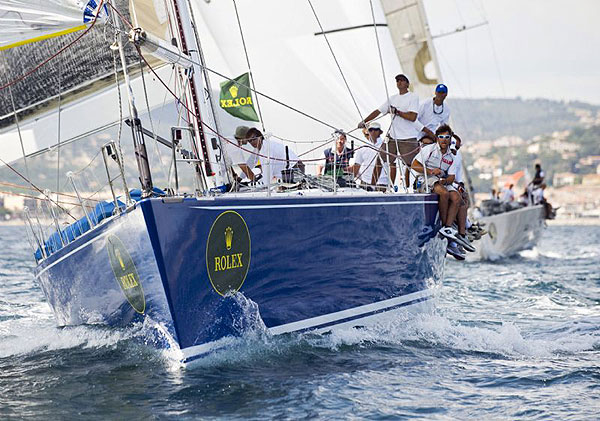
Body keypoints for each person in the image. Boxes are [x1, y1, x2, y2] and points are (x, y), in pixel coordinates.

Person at [411, 124, 471, 259]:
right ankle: (445, 226)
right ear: (437, 138)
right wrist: (431, 171)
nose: (444, 140)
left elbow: (451, 177)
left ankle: (453, 230)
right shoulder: (429, 149)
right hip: (427, 177)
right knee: (443, 193)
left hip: (442, 180)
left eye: (447, 137)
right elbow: (414, 165)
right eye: (441, 137)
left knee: (457, 198)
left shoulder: (452, 156)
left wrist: (445, 180)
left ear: (450, 139)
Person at [359, 74, 419, 187]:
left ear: (407, 84)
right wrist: (364, 121)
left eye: (402, 80)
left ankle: (412, 187)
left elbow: (413, 117)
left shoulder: (413, 97)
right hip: (393, 137)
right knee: (380, 159)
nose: (399, 82)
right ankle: (372, 186)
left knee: (413, 165)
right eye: (397, 81)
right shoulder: (392, 98)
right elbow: (378, 111)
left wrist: (397, 112)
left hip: (407, 138)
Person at [350, 122, 389, 190]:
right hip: (365, 182)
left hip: (382, 183)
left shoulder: (386, 146)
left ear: (380, 132)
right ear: (368, 132)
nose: (373, 132)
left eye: (376, 129)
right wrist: (351, 180)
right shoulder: (363, 147)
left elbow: (392, 165)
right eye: (371, 130)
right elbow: (357, 165)